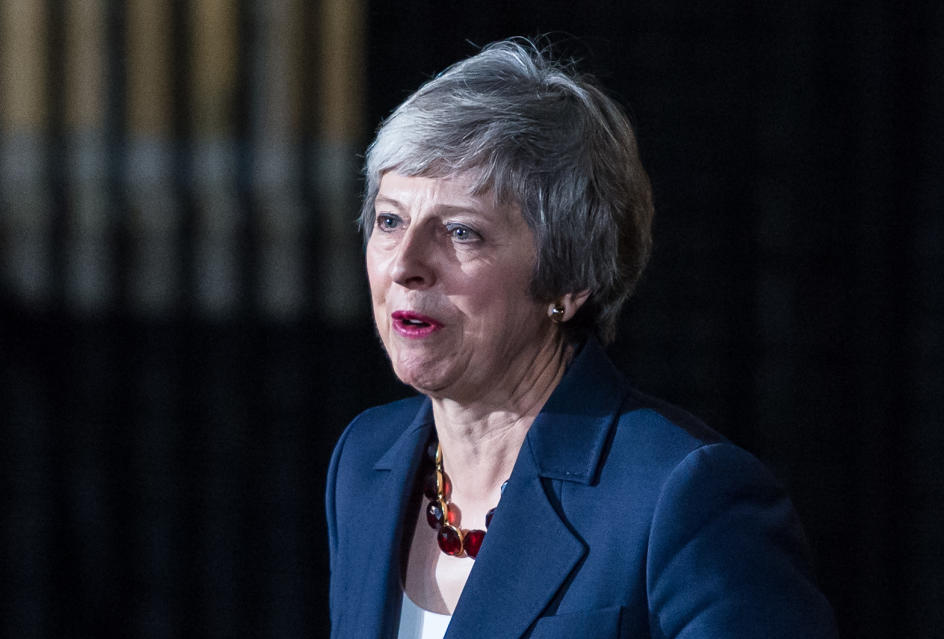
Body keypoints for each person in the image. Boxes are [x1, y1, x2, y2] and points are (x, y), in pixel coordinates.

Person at [325, 38, 837, 639]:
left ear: (568, 281)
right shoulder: (365, 461)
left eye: (461, 232)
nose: (405, 263)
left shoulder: (683, 498)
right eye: (390, 220)